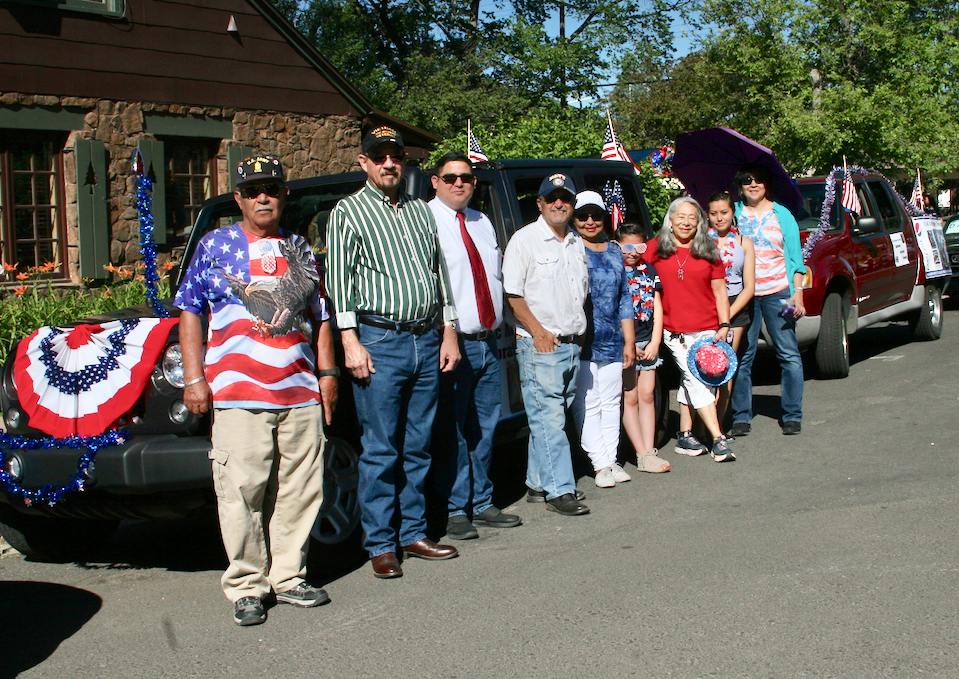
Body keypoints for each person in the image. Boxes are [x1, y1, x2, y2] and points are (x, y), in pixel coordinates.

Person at [176, 153, 338, 626]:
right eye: (252, 191)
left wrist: (327, 378)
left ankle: (289, 577)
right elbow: (190, 311)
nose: (262, 196)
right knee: (240, 490)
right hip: (237, 391)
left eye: (271, 188)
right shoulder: (215, 245)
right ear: (239, 199)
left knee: (300, 489)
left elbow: (320, 316)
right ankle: (247, 584)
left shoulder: (301, 248)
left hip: (298, 389)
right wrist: (193, 379)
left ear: (284, 195)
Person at [326, 126, 461, 579]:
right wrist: (350, 341)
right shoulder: (349, 212)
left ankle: (413, 532)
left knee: (419, 444)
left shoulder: (422, 212)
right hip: (379, 342)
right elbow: (340, 283)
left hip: (426, 338)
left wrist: (449, 331)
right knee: (381, 448)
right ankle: (381, 543)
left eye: (395, 157)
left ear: (404, 162)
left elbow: (438, 272)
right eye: (379, 156)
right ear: (363, 162)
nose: (388, 164)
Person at [428, 151, 521, 540]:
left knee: (484, 428)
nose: (459, 183)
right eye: (449, 178)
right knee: (453, 433)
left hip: (487, 340)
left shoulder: (481, 222)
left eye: (465, 177)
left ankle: (482, 502)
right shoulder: (425, 220)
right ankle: (454, 509)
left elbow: (496, 278)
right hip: (452, 342)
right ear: (435, 182)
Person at [502, 173, 591, 516]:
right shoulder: (524, 241)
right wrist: (538, 332)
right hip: (541, 344)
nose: (559, 204)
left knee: (548, 416)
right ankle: (560, 490)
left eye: (565, 198)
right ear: (539, 203)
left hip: (570, 345)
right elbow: (513, 295)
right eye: (551, 198)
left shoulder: (575, 242)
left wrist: (577, 335)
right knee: (549, 420)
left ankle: (538, 483)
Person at [643, 197, 735, 462]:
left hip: (708, 328)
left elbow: (720, 292)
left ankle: (685, 435)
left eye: (692, 218)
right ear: (670, 221)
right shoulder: (655, 249)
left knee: (699, 378)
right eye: (680, 217)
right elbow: (630, 262)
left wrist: (725, 324)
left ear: (699, 223)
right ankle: (718, 437)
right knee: (696, 377)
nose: (685, 222)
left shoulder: (709, 250)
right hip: (676, 332)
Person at [727, 164, 805, 437]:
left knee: (788, 352)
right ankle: (740, 417)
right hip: (743, 296)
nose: (753, 183)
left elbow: (796, 259)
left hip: (780, 294)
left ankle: (792, 414)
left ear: (767, 184)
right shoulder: (733, 213)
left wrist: (798, 293)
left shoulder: (782, 214)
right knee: (741, 356)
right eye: (747, 179)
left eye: (759, 179)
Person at [569, 191, 636, 488]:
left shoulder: (613, 250)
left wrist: (629, 340)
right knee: (587, 402)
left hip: (612, 337)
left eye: (596, 215)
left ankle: (612, 459)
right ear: (574, 218)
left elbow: (624, 298)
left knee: (611, 401)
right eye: (583, 216)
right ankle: (599, 463)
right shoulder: (569, 249)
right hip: (582, 339)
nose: (590, 221)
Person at [616, 222, 670, 473]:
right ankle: (640, 453)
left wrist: (655, 342)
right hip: (626, 343)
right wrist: (628, 343)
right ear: (617, 244)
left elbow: (658, 307)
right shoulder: (615, 269)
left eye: (639, 246)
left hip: (648, 342)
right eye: (627, 246)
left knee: (648, 395)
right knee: (631, 396)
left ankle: (650, 450)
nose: (633, 251)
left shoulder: (649, 269)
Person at [706, 191, 755, 427]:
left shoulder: (744, 242)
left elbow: (749, 286)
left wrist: (729, 313)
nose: (719, 218)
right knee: (705, 367)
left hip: (735, 307)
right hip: (709, 304)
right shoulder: (702, 241)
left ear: (732, 213)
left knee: (725, 368)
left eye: (724, 212)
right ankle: (702, 426)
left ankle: (720, 423)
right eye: (713, 213)